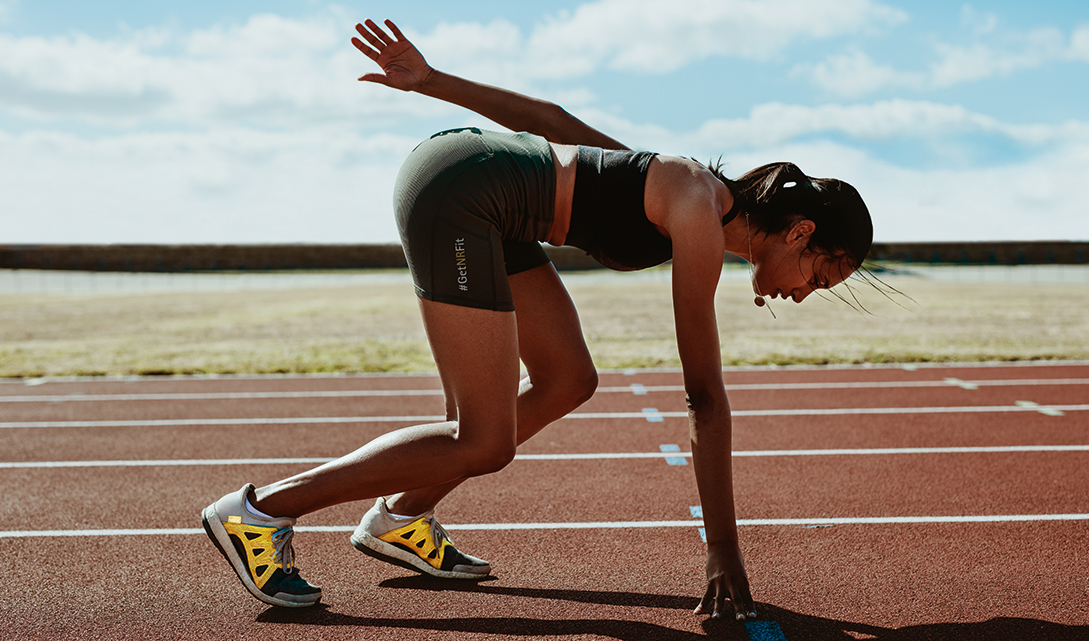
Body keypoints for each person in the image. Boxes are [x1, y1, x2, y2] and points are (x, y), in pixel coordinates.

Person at [202, 18, 872, 621]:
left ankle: (400, 516)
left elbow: (552, 118)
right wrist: (724, 549)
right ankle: (259, 511)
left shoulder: (694, 192)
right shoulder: (698, 207)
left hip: (492, 207)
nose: (804, 293)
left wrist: (433, 80)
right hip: (462, 192)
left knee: (567, 378)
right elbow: (703, 395)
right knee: (484, 439)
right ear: (800, 232)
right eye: (819, 276)